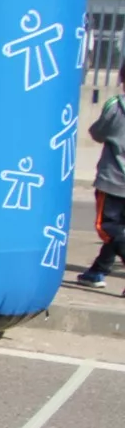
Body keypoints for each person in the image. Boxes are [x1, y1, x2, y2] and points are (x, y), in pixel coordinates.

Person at [77, 92, 125, 287]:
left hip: (114, 180)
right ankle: (98, 270)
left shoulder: (116, 105)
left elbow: (98, 133)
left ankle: (98, 270)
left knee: (107, 227)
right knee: (119, 231)